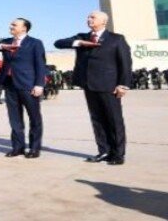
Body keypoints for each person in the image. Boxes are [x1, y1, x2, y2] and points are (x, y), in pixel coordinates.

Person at [55, 11, 132, 165]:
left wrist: (123, 84)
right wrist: (79, 43)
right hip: (88, 85)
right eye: (88, 17)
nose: (89, 19)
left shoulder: (116, 39)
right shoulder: (82, 37)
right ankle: (103, 151)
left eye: (92, 17)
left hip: (109, 85)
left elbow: (125, 62)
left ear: (104, 21)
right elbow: (58, 43)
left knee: (113, 120)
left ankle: (118, 154)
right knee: (97, 120)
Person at [0, 18, 46, 158]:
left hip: (28, 85)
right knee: (14, 118)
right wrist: (2, 47)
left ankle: (34, 148)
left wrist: (39, 84)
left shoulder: (35, 43)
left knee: (34, 117)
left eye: (14, 24)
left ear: (24, 28)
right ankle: (18, 147)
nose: (10, 26)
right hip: (9, 83)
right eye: (11, 24)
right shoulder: (5, 41)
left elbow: (40, 65)